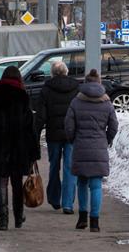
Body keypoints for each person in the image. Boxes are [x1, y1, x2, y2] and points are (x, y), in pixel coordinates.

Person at [0, 65, 40, 231]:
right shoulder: (22, 97)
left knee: (1, 183)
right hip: (18, 149)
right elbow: (30, 128)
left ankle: (3, 220)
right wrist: (34, 152)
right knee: (16, 184)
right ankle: (18, 218)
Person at [64, 69, 119, 233]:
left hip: (80, 146)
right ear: (99, 83)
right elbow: (114, 126)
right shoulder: (107, 103)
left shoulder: (76, 102)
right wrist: (106, 139)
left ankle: (82, 217)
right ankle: (94, 222)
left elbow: (68, 125)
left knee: (82, 183)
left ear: (86, 83)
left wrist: (73, 139)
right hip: (99, 147)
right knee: (96, 185)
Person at [35, 61, 79, 214]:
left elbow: (40, 116)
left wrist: (36, 133)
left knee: (54, 165)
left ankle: (54, 199)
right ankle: (67, 204)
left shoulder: (46, 89)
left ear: (52, 73)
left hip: (53, 134)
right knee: (69, 167)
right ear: (66, 72)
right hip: (71, 134)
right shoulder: (76, 87)